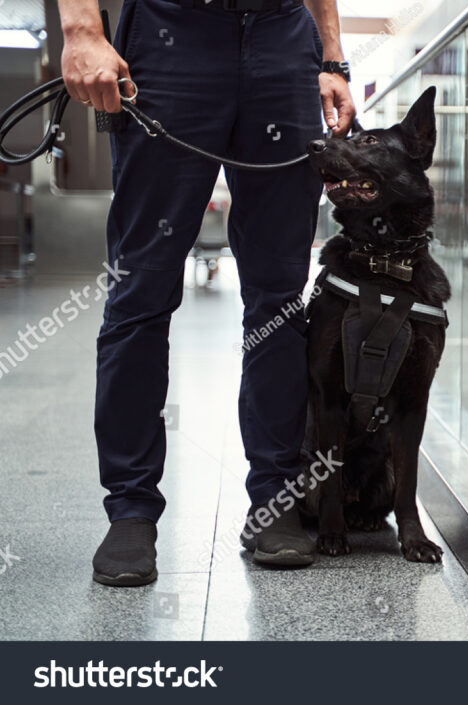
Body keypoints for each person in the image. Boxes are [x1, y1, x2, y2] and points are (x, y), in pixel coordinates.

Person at [57, 0, 356, 586]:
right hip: (172, 33)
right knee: (141, 285)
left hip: (281, 38)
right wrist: (81, 30)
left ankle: (275, 499)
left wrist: (332, 58)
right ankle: (132, 510)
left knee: (279, 296)